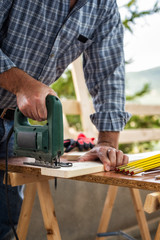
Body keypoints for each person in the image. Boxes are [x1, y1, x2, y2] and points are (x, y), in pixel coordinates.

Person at [0, 0, 131, 239]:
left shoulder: (102, 7)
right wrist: (21, 84)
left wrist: (107, 143)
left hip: (11, 124)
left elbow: (109, 75)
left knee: (4, 224)